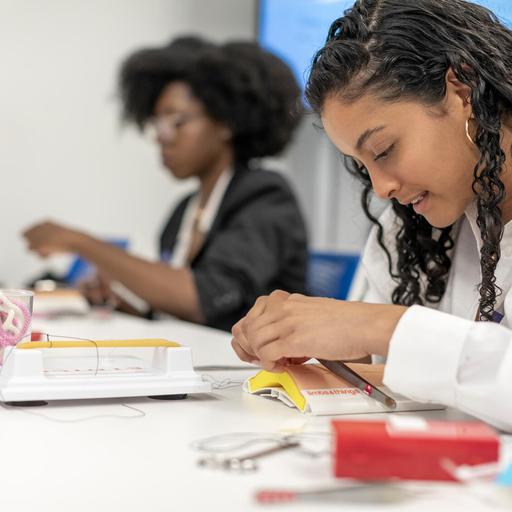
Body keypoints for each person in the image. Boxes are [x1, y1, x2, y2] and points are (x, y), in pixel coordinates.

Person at [231, 0, 512, 431]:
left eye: (384, 150)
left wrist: (381, 326)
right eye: (364, 166)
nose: (382, 188)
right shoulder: (409, 226)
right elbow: (387, 368)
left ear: (463, 89)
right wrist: (312, 341)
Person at [23, 37, 308, 331]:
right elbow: (181, 314)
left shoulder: (265, 195)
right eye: (156, 122)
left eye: (176, 121)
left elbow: (204, 300)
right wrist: (124, 304)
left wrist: (80, 242)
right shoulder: (184, 210)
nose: (161, 136)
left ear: (226, 122)